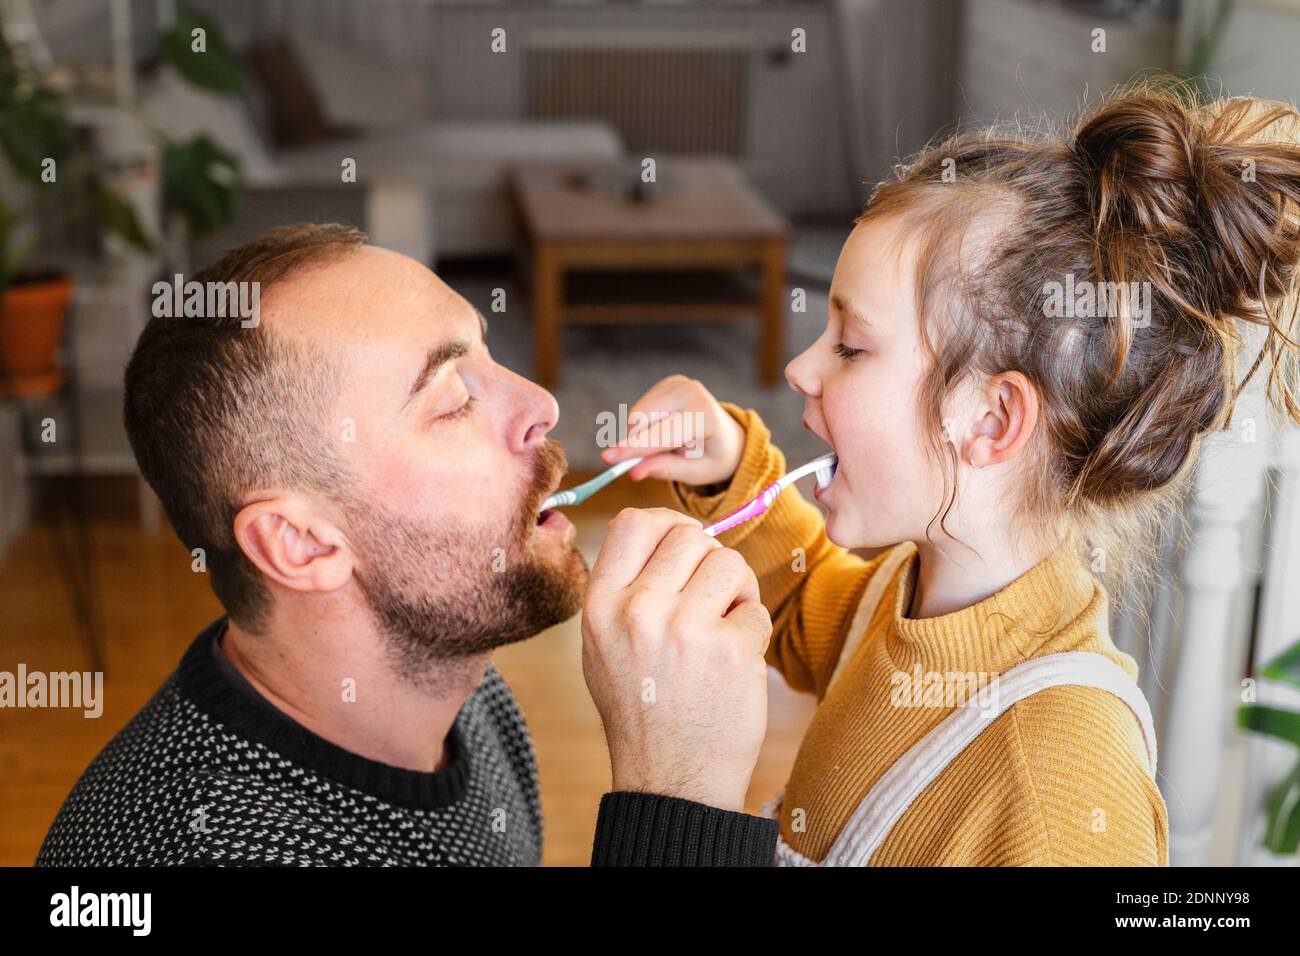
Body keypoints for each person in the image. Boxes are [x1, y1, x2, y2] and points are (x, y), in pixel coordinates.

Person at [587, 84, 1300, 865]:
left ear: (991, 421)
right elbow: (799, 604)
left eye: (850, 346)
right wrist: (730, 464)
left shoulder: (1060, 791)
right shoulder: (908, 594)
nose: (799, 369)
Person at [36, 224, 776, 866]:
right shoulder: (210, 848)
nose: (543, 406)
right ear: (299, 542)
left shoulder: (462, 683)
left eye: (488, 355)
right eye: (454, 400)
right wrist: (680, 797)